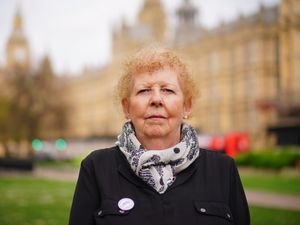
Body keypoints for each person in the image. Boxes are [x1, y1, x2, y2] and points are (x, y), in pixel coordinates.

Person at [68, 46, 250, 225]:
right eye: (144, 90)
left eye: (167, 90)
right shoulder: (97, 168)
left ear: (187, 106)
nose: (156, 99)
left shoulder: (222, 170)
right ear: (126, 107)